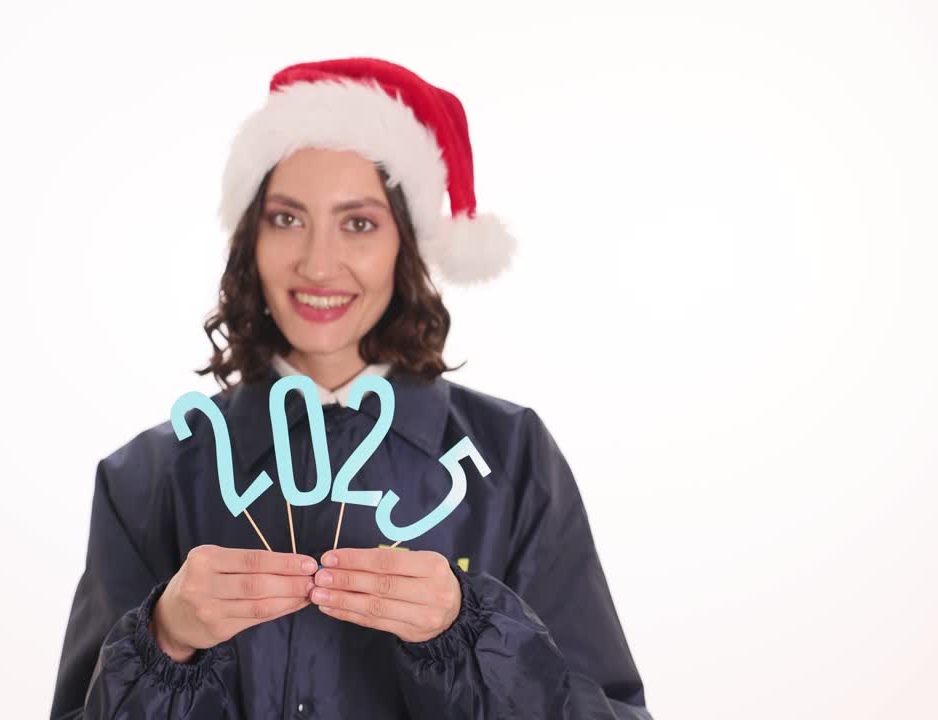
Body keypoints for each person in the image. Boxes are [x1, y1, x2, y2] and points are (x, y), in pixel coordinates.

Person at [50, 57, 652, 719]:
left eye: (358, 223)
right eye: (286, 219)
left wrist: (470, 631)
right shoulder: (149, 476)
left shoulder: (509, 459)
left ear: (407, 245)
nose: (317, 263)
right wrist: (164, 640)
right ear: (250, 239)